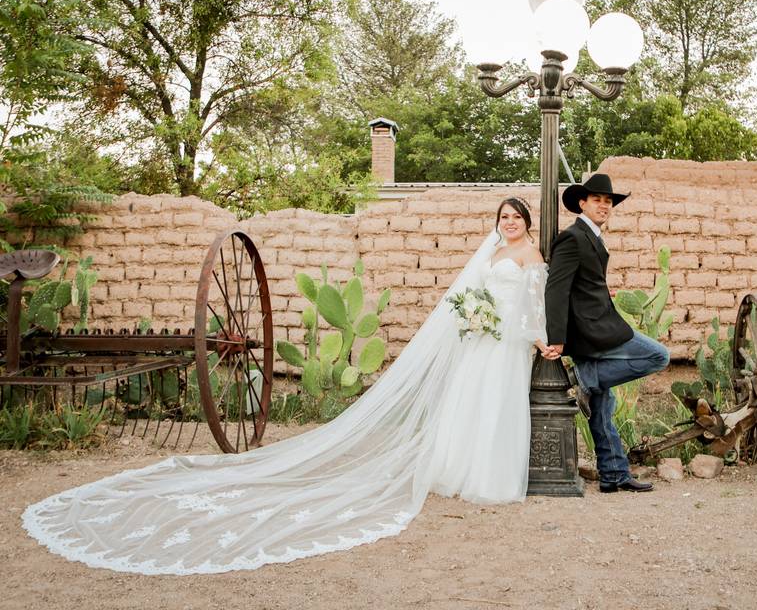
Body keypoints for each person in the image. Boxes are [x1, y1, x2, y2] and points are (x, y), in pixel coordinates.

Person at [23, 198, 550, 575]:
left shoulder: (531, 259)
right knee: (469, 405)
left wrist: (538, 340)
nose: (508, 225)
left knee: (495, 406)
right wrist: (474, 319)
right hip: (479, 339)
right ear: (497, 223)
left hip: (506, 345)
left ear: (527, 224)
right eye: (503, 218)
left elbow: (533, 305)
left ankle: (491, 478)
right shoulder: (490, 256)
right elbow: (467, 296)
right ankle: (456, 471)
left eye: (516, 219)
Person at [543, 173, 670, 494]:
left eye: (608, 201)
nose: (603, 205)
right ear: (582, 203)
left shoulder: (593, 237)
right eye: (597, 200)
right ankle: (587, 379)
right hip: (593, 330)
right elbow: (556, 289)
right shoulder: (573, 237)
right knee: (658, 355)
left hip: (599, 322)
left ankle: (613, 474)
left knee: (601, 410)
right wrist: (556, 336)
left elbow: (585, 284)